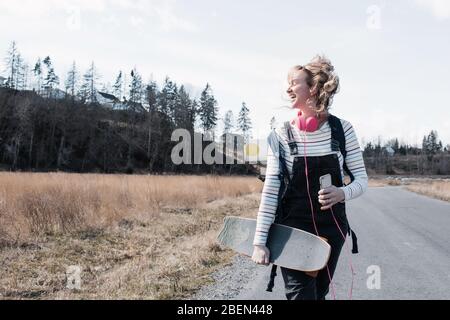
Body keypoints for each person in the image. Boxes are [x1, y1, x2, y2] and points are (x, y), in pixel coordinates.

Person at [251, 55, 368, 300]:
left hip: (332, 229)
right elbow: (271, 190)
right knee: (300, 295)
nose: (287, 88)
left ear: (313, 88)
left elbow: (361, 180)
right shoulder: (281, 135)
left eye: (294, 82)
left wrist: (341, 192)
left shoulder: (342, 130)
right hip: (292, 230)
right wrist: (260, 241)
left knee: (318, 294)